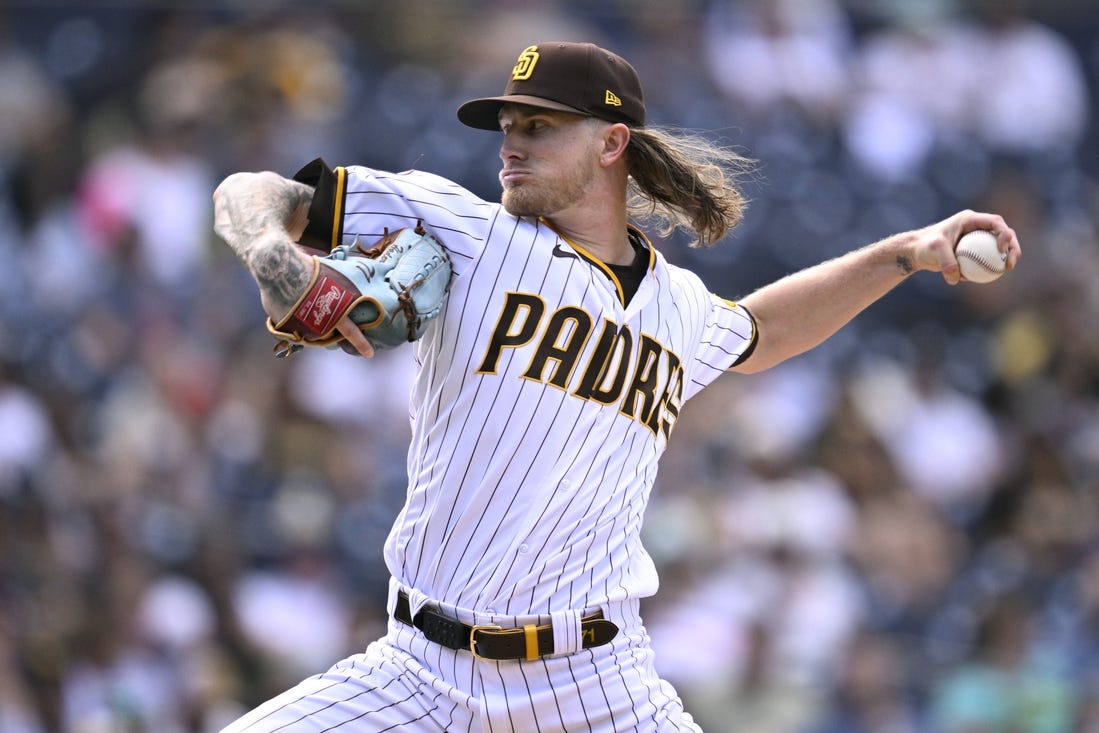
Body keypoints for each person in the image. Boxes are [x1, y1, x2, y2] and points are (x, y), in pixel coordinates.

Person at [212, 41, 1020, 732]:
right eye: (507, 127)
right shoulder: (465, 230)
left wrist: (906, 252)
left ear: (612, 143)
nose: (510, 145)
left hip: (597, 686)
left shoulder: (678, 308)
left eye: (538, 126)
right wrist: (276, 261)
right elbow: (248, 193)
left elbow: (763, 331)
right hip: (418, 674)